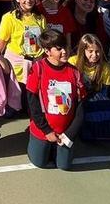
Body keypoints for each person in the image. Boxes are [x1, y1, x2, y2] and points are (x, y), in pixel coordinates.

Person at [25, 29, 85, 170]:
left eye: (65, 47)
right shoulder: (38, 69)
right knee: (40, 163)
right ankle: (38, 144)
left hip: (65, 131)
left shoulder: (74, 72)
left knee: (64, 166)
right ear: (47, 51)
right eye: (59, 49)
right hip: (43, 130)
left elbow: (81, 107)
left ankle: (58, 149)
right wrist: (47, 131)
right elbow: (32, 105)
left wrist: (69, 134)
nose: (65, 51)